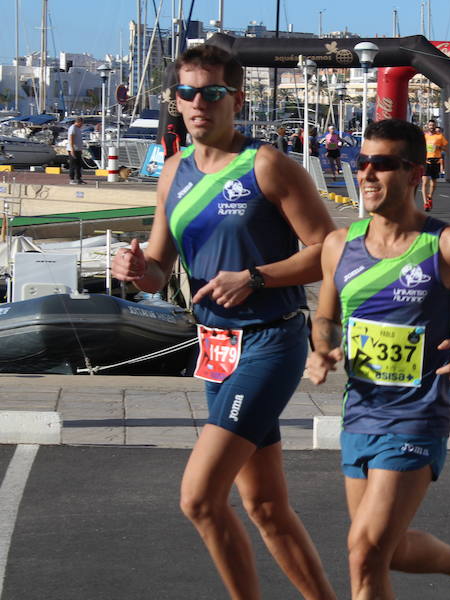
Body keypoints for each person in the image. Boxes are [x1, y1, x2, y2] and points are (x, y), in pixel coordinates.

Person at [111, 45, 337, 600]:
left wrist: (255, 277)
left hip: (270, 341)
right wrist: (136, 270)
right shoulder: (171, 174)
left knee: (199, 498)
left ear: (237, 98)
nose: (196, 104)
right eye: (186, 93)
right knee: (264, 506)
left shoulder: (266, 166)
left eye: (211, 93)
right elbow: (160, 270)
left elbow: (331, 250)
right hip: (213, 349)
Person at [306, 118, 450, 600]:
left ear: (413, 173)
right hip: (358, 414)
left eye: (381, 164)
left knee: (363, 553)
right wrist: (322, 351)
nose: (366, 174)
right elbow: (324, 318)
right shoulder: (339, 247)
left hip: (416, 417)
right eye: (361, 162)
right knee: (387, 552)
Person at [421, 119, 447, 211]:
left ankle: (430, 197)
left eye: (433, 125)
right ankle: (425, 203)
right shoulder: (424, 136)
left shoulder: (439, 136)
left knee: (433, 183)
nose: (431, 127)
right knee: (424, 182)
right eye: (430, 125)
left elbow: (445, 148)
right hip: (426, 161)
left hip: (435, 161)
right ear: (428, 126)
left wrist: (439, 147)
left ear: (435, 126)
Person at [67, 116, 85, 185]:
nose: (82, 125)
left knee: (79, 165)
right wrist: (72, 149)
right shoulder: (73, 128)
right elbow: (71, 139)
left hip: (78, 149)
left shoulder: (78, 128)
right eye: (81, 123)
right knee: (73, 165)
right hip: (73, 149)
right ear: (78, 122)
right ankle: (71, 179)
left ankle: (79, 179)